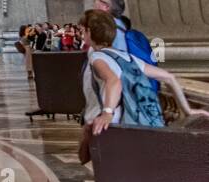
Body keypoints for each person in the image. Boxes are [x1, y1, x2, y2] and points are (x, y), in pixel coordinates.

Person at [79, 10, 203, 142]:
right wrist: (188, 110)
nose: (81, 36)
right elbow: (168, 77)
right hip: (136, 123)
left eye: (82, 31)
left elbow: (114, 81)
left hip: (109, 127)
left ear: (89, 32)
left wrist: (107, 113)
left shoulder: (97, 57)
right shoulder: (128, 57)